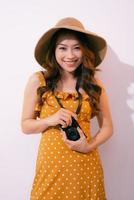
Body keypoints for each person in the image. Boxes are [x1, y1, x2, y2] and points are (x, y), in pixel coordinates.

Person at [21, 17, 113, 200]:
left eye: (76, 47)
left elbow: (108, 127)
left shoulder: (94, 85)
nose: (70, 55)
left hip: (86, 167)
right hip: (51, 169)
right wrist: (50, 120)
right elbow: (25, 125)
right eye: (63, 48)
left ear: (84, 50)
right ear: (53, 50)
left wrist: (88, 146)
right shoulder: (39, 81)